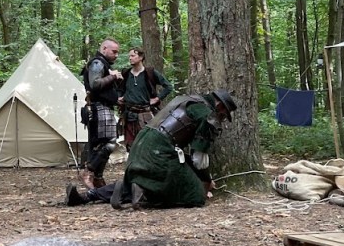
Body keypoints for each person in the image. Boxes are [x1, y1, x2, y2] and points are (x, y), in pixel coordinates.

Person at [65, 89, 236, 209]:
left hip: (142, 142)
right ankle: (145, 196)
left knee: (141, 179)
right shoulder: (207, 116)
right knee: (195, 195)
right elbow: (199, 159)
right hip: (159, 150)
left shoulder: (187, 99)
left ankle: (87, 196)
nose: (221, 118)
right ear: (220, 106)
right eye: (223, 114)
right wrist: (206, 181)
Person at [79, 38, 123, 189]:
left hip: (103, 107)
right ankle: (88, 172)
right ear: (104, 49)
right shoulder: (98, 63)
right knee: (108, 143)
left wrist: (117, 98)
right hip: (99, 108)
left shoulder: (103, 64)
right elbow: (95, 84)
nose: (116, 55)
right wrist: (113, 76)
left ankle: (97, 178)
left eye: (117, 52)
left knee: (101, 144)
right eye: (114, 51)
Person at [118, 47, 173, 149]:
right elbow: (120, 90)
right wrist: (120, 97)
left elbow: (168, 87)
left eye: (133, 56)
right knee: (130, 146)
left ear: (141, 57)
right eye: (129, 56)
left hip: (145, 115)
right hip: (129, 115)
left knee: (146, 145)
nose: (130, 58)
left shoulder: (150, 72)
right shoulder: (126, 73)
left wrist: (157, 98)